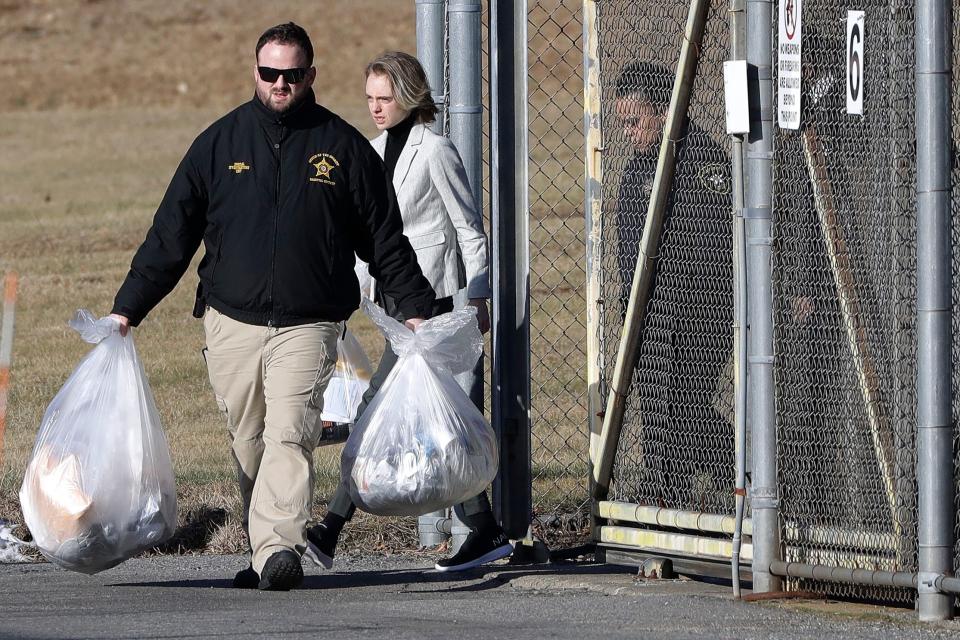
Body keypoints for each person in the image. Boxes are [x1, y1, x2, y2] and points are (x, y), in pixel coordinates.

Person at [109, 23, 436, 591]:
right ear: (255, 72)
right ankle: (265, 550)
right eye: (269, 73)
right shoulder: (218, 145)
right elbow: (170, 238)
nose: (280, 83)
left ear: (311, 75)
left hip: (309, 322)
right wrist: (127, 310)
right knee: (250, 440)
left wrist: (415, 309)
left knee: (291, 433)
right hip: (231, 318)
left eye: (292, 74)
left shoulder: (342, 148)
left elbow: (385, 240)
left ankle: (280, 548)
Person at [305, 51, 511, 573]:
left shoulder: (435, 150)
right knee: (425, 421)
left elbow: (468, 229)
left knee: (378, 410)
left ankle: (331, 526)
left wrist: (478, 297)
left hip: (435, 307)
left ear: (409, 96)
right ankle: (484, 528)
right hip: (397, 311)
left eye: (385, 98)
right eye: (370, 98)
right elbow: (367, 235)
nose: (376, 108)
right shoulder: (370, 151)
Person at [612, 61, 735, 512]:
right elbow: (629, 254)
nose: (627, 131)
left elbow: (712, 246)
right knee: (657, 405)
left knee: (686, 405)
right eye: (621, 122)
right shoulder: (637, 172)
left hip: (702, 312)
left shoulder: (701, 160)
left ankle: (740, 470)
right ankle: (668, 493)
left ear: (663, 112)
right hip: (652, 317)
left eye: (634, 120)